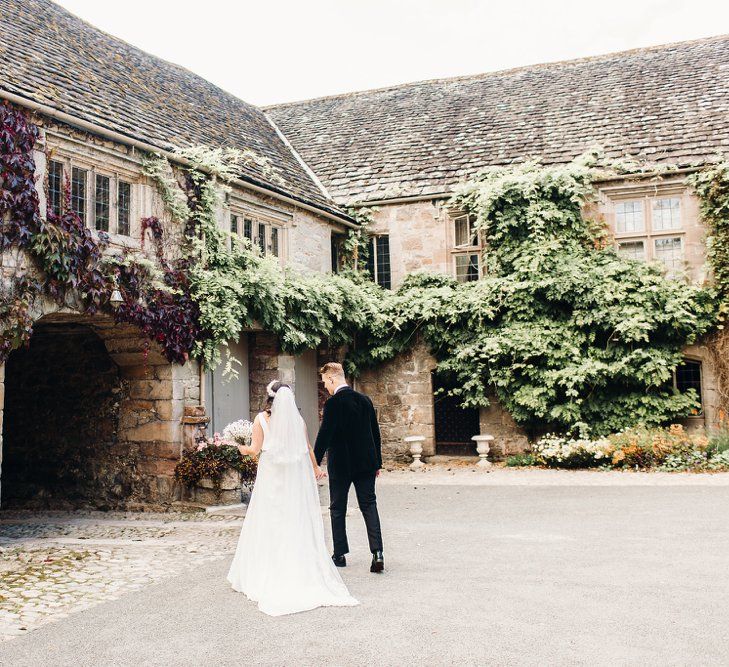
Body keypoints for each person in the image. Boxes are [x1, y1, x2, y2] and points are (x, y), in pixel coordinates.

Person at [226, 380, 359, 616]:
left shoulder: (260, 420)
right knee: (291, 521)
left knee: (268, 521)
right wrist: (316, 468)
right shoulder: (298, 421)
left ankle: (266, 570)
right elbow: (307, 447)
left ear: (269, 398)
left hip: (270, 481)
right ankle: (296, 569)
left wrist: (238, 446)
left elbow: (255, 450)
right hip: (291, 483)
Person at [314, 362, 384, 573]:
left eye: (325, 382)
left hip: (341, 464)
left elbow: (324, 434)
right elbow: (375, 433)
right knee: (369, 504)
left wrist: (314, 462)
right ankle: (378, 552)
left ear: (333, 379)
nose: (325, 386)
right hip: (365, 463)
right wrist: (377, 462)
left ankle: (340, 554)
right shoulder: (365, 400)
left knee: (337, 508)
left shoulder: (333, 404)